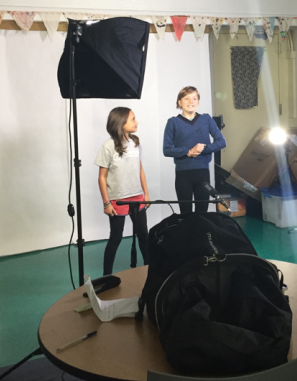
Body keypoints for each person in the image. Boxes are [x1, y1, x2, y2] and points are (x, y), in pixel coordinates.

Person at [95, 107, 150, 276]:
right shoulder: (108, 146)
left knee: (143, 236)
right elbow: (102, 178)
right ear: (121, 122)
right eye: (133, 119)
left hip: (137, 197)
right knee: (116, 238)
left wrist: (146, 194)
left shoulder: (136, 143)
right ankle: (107, 275)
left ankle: (150, 271)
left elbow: (140, 170)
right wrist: (106, 203)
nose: (136, 122)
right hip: (118, 200)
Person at [163, 86, 226, 214]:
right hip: (182, 176)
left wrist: (202, 149)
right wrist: (189, 151)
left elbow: (221, 142)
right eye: (186, 98)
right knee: (185, 214)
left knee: (202, 214)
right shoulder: (173, 122)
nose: (191, 101)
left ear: (198, 102)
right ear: (179, 102)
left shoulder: (206, 119)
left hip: (202, 174)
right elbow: (167, 150)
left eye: (194, 98)